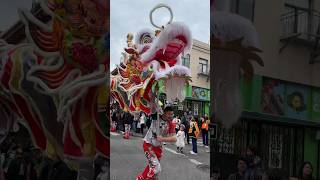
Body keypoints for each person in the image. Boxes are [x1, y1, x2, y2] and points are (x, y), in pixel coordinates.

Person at [136, 106, 177, 180]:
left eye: (172, 114)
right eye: (169, 114)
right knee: (156, 167)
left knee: (155, 171)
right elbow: (152, 107)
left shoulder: (170, 124)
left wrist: (163, 139)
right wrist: (153, 96)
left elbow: (174, 138)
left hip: (158, 148)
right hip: (149, 145)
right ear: (164, 113)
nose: (171, 116)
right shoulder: (156, 117)